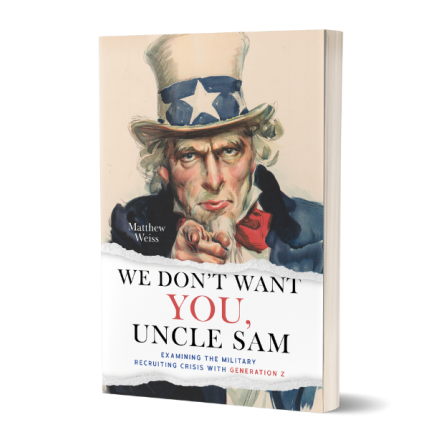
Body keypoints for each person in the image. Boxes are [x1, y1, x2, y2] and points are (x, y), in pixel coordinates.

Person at [106, 33, 322, 410]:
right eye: (190, 155)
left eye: (229, 150)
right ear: (165, 170)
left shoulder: (317, 230)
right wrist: (169, 271)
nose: (214, 178)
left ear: (255, 155)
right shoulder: (134, 236)